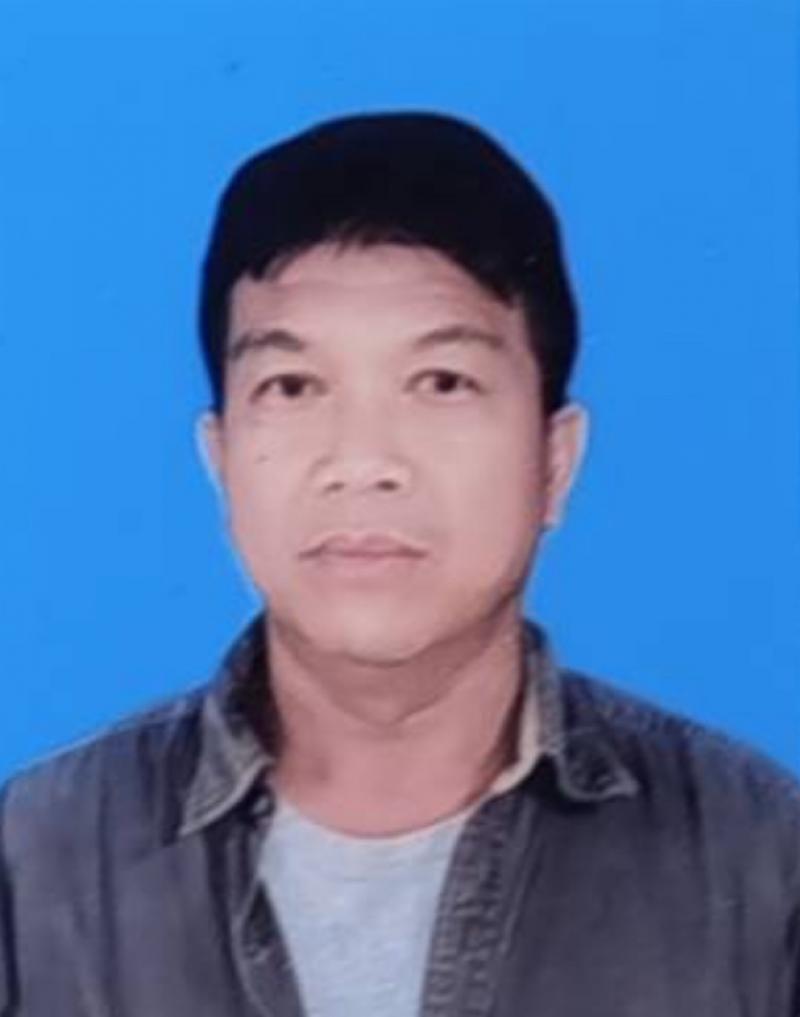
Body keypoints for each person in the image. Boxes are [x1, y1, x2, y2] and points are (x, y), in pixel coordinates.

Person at [1, 111, 797, 1017]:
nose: (363, 460)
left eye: (442, 382)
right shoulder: (33, 870)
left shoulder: (763, 860)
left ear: (554, 461)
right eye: (293, 386)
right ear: (221, 461)